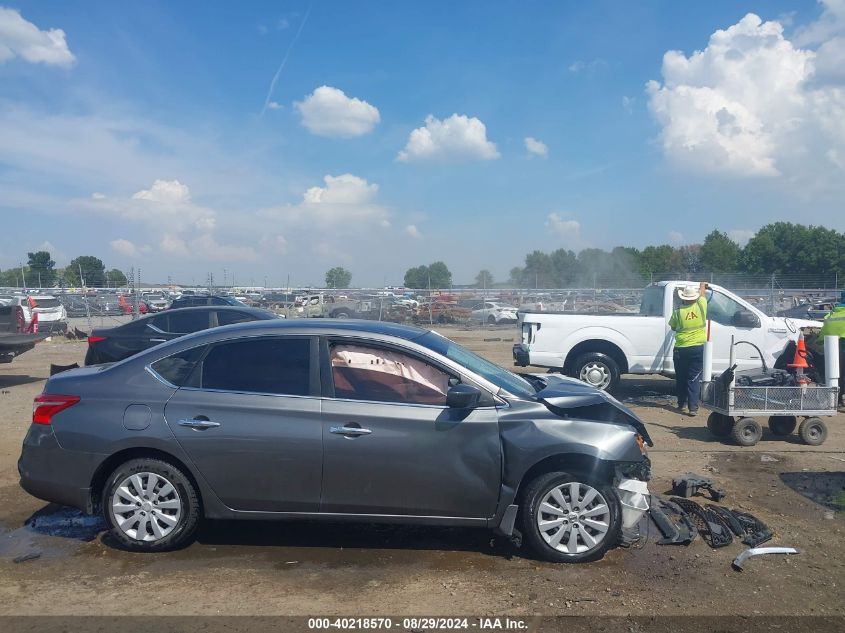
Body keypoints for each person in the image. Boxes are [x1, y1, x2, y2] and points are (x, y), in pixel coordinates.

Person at [669, 281, 708, 416]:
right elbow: (702, 292)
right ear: (695, 297)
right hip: (697, 347)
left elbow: (673, 327)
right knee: (693, 378)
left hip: (681, 349)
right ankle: (693, 408)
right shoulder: (701, 306)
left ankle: (682, 404)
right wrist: (702, 284)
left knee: (681, 377)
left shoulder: (678, 312)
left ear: (683, 298)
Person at [819, 291, 845, 405]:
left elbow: (821, 336)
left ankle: (836, 399)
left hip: (833, 349)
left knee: (836, 375)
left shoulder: (831, 315)